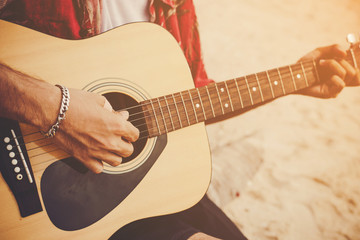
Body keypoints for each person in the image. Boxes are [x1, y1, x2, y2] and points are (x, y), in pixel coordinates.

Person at [0, 1, 359, 239]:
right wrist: (55, 110)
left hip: (125, 193)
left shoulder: (174, 4)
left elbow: (193, 96)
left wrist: (296, 79)